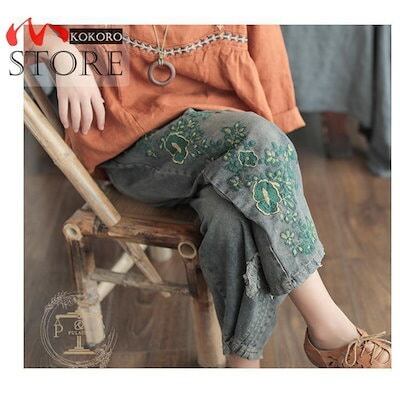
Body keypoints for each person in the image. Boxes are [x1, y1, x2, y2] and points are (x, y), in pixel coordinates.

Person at [27, 24, 391, 368]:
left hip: (223, 128)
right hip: (133, 139)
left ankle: (243, 368)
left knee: (232, 213)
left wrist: (264, 174)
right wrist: (61, 51)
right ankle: (330, 330)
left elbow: (266, 61)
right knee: (257, 143)